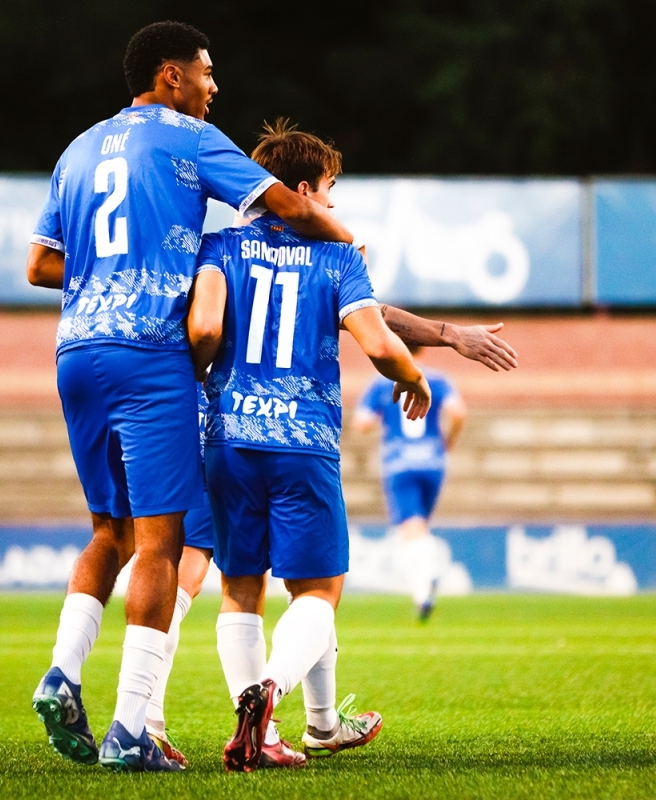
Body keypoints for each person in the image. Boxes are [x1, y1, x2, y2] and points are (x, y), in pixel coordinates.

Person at [24, 21, 359, 773]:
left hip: (77, 350)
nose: (215, 86)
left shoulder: (78, 149)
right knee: (161, 545)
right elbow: (292, 207)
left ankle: (62, 672)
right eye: (207, 73)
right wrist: (347, 238)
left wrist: (112, 270)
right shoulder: (187, 136)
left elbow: (40, 266)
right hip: (149, 357)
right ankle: (131, 727)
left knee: (107, 531)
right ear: (171, 76)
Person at [187, 119, 431, 772]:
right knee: (318, 592)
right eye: (329, 191)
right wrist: (415, 377)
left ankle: (272, 729)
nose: (332, 206)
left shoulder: (219, 246)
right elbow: (379, 345)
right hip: (301, 441)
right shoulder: (339, 256)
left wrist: (211, 379)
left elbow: (204, 327)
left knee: (240, 589)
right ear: (301, 188)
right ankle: (269, 695)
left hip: (229, 438)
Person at [353, 345, 467, 620]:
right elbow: (458, 412)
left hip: (399, 463)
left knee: (410, 530)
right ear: (423, 350)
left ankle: (424, 586)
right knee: (419, 526)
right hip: (432, 462)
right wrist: (448, 440)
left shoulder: (382, 383)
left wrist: (382, 418)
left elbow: (361, 423)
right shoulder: (437, 380)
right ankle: (426, 581)